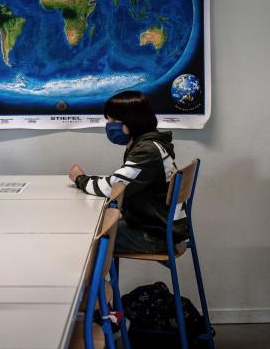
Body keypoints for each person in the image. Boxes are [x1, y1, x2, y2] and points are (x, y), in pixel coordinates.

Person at [68, 90, 184, 254]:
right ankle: (100, 280)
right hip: (161, 228)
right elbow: (121, 182)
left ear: (133, 121)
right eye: (108, 120)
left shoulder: (147, 151)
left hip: (158, 236)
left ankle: (95, 281)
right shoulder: (150, 144)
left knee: (89, 237)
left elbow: (112, 187)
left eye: (114, 120)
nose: (109, 125)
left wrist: (80, 178)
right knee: (99, 226)